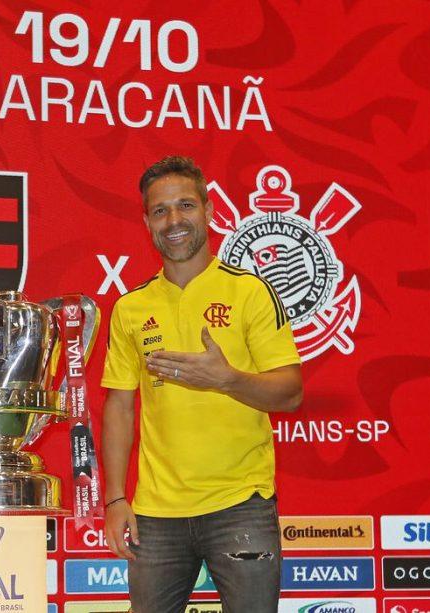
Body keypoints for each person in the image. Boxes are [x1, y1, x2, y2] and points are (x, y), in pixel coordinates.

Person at [100, 156, 303, 612]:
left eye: (185, 205)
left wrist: (227, 379)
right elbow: (119, 406)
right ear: (147, 222)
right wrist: (115, 499)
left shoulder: (248, 292)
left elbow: (290, 391)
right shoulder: (130, 308)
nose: (174, 220)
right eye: (160, 210)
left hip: (241, 505)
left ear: (209, 213)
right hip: (156, 513)